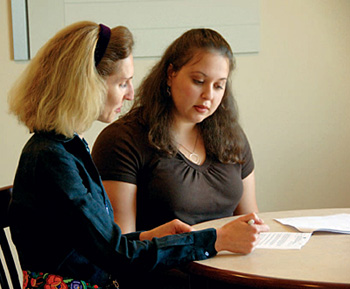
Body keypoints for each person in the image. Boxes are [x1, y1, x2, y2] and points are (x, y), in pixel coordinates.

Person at [7, 21, 269, 289]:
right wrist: (214, 240)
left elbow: (104, 245)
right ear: (85, 84)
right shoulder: (52, 159)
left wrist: (151, 237)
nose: (131, 94)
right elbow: (119, 258)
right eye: (122, 83)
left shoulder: (67, 147)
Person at [92, 28, 259, 234]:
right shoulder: (122, 140)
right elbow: (120, 246)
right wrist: (211, 242)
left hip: (228, 263)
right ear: (171, 74)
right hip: (165, 265)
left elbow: (250, 221)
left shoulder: (232, 137)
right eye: (198, 81)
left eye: (219, 86)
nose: (208, 95)